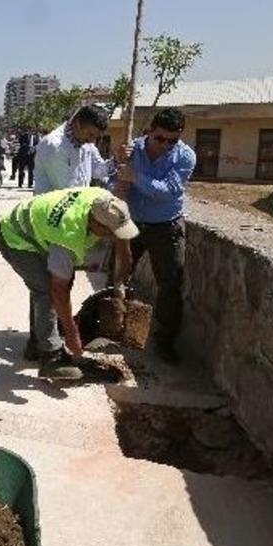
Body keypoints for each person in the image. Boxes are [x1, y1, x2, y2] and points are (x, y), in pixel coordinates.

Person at [0, 187, 138, 379]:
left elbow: (122, 242)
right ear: (97, 225)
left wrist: (119, 286)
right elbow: (58, 290)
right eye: (110, 233)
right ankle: (51, 358)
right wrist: (72, 334)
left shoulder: (104, 201)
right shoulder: (69, 236)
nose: (112, 237)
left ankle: (38, 343)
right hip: (16, 236)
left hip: (38, 225)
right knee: (46, 290)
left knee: (58, 282)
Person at [115, 107, 196, 364]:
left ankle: (164, 342)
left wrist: (136, 176)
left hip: (166, 226)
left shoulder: (185, 157)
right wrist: (119, 164)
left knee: (170, 285)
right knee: (116, 275)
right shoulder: (132, 150)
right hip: (132, 224)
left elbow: (168, 191)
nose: (166, 145)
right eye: (160, 138)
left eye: (173, 140)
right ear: (150, 131)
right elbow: (113, 180)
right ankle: (109, 326)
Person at [33, 105, 114, 195]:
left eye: (96, 137)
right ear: (78, 124)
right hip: (52, 207)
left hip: (76, 205)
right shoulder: (54, 145)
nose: (92, 140)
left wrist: (116, 161)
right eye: (90, 134)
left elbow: (98, 170)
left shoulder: (86, 143)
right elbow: (66, 189)